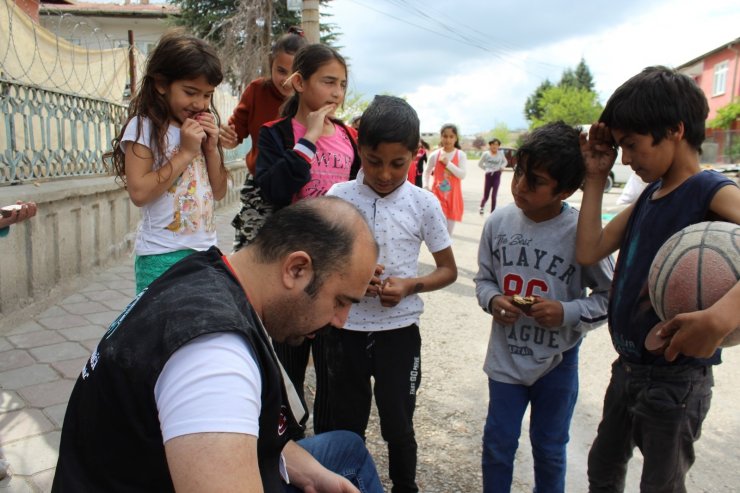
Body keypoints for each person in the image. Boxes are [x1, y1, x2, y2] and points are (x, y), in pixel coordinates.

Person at [52, 196, 385, 493]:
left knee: (346, 449)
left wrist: (308, 472)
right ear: (296, 269)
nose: (341, 319)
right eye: (340, 300)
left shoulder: (207, 270)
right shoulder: (215, 358)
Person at [576, 66, 740, 493]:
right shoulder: (650, 195)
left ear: (674, 130)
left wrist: (722, 316)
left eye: (631, 145)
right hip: (628, 369)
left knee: (661, 486)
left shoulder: (710, 190)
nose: (626, 159)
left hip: (676, 380)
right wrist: (595, 176)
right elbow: (589, 250)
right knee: (603, 470)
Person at [325, 95, 458, 493]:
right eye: (373, 160)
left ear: (416, 155)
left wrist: (411, 285)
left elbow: (448, 269)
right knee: (344, 425)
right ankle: (344, 484)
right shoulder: (338, 196)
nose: (384, 173)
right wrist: (349, 281)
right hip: (344, 332)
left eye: (397, 163)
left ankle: (404, 485)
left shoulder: (423, 204)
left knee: (399, 423)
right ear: (359, 151)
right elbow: (320, 263)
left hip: (399, 334)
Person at [474, 122, 614, 493]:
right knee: (497, 445)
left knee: (550, 449)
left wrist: (566, 312)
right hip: (505, 358)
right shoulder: (498, 222)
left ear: (565, 189)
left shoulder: (581, 231)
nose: (520, 185)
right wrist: (493, 300)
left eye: (535, 180)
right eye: (519, 171)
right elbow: (484, 280)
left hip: (557, 362)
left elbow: (608, 297)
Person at [255, 43, 361, 437]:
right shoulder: (276, 134)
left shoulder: (351, 138)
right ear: (299, 82)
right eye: (328, 82)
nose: (336, 93)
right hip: (291, 275)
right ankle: (289, 449)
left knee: (334, 375)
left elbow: (362, 201)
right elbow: (274, 191)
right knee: (287, 372)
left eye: (343, 85)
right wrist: (309, 139)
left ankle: (330, 454)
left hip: (336, 273)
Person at [105, 29, 229, 294]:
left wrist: (211, 150)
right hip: (161, 256)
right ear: (161, 84)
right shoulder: (144, 128)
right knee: (161, 331)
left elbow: (219, 192)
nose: (199, 103)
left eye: (207, 95)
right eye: (190, 92)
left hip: (205, 253)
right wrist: (184, 153)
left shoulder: (201, 130)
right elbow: (139, 192)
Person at [220, 26, 308, 251]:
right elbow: (234, 133)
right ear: (270, 65)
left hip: (300, 188)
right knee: (250, 249)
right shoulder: (257, 91)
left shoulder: (310, 98)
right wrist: (226, 137)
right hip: (261, 184)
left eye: (294, 72)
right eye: (280, 70)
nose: (286, 80)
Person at [424, 123, 467, 234]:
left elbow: (462, 175)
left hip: (453, 199)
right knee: (437, 232)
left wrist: (448, 163)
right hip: (437, 198)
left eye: (451, 136)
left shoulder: (461, 155)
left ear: (456, 138)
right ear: (441, 137)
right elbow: (427, 171)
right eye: (445, 136)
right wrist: (425, 186)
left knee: (448, 234)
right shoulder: (435, 155)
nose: (448, 140)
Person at [478, 138, 508, 215]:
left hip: (497, 175)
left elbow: (505, 162)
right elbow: (480, 164)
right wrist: (487, 169)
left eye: (497, 144)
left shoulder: (501, 153)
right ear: (490, 145)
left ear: (498, 146)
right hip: (488, 175)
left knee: (494, 194)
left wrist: (502, 167)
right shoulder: (486, 154)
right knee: (486, 195)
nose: (495, 146)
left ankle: (492, 212)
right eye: (493, 144)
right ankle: (482, 207)